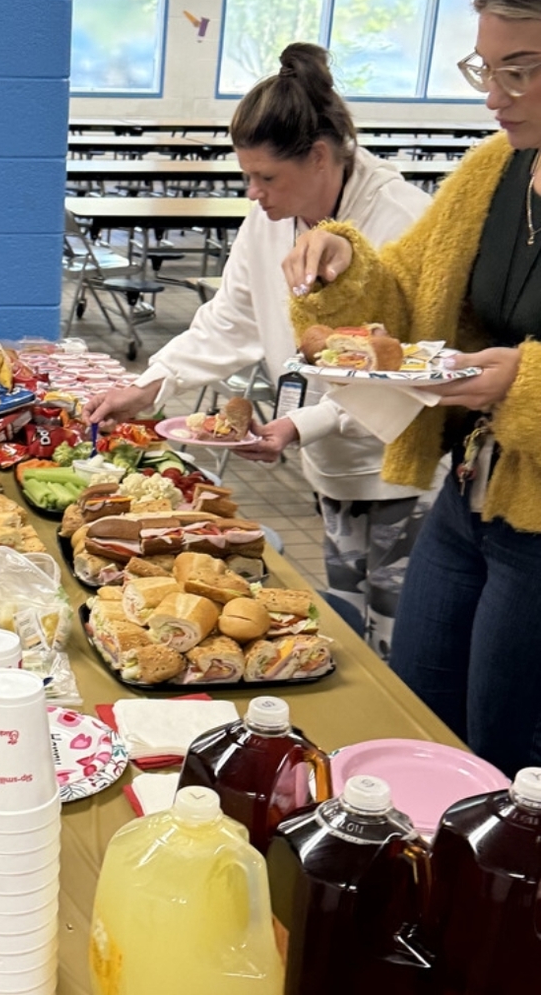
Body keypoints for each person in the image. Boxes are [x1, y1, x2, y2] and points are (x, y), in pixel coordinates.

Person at [85, 43, 436, 658]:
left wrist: (300, 423)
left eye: (266, 177)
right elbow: (232, 317)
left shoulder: (402, 220)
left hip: (402, 468)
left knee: (401, 642)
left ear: (321, 157)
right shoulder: (274, 216)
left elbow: (405, 369)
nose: (254, 192)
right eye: (247, 175)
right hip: (328, 457)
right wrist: (153, 383)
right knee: (349, 616)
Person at [282, 0, 541, 778]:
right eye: (484, 69)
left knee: (503, 748)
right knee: (421, 703)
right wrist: (343, 264)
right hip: (471, 493)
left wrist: (522, 383)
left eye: (521, 71)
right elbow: (407, 287)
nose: (494, 96)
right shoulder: (495, 171)